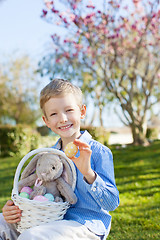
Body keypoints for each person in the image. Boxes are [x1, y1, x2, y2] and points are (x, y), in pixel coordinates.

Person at [0, 78, 119, 240]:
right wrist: (14, 207)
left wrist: (89, 174)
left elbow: (112, 203)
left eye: (69, 110)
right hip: (49, 220)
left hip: (86, 225)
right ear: (46, 121)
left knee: (31, 236)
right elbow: (33, 188)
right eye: (54, 114)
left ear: (82, 112)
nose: (63, 118)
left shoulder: (98, 152)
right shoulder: (49, 156)